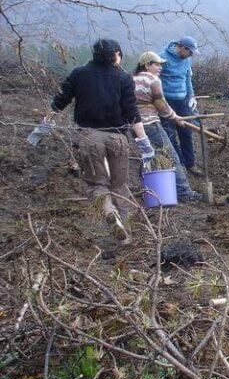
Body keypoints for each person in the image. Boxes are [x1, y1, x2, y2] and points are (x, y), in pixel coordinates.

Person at [48, 39, 154, 244]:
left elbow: (60, 100)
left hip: (90, 137)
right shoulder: (123, 78)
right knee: (120, 185)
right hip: (117, 138)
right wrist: (143, 141)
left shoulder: (79, 74)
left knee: (97, 184)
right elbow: (132, 113)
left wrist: (45, 122)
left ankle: (109, 212)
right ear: (116, 54)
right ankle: (126, 234)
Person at [133, 52, 201, 202]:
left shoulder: (132, 79)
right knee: (171, 156)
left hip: (135, 126)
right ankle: (184, 192)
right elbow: (161, 106)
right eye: (156, 64)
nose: (160, 68)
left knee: (149, 157)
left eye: (161, 65)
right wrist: (175, 117)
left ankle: (150, 190)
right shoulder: (152, 80)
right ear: (147, 65)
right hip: (151, 124)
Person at [159, 36, 201, 176]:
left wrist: (191, 96)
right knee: (170, 134)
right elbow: (155, 80)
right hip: (166, 102)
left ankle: (190, 164)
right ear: (182, 48)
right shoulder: (162, 58)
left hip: (182, 101)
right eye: (189, 52)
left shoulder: (187, 61)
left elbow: (188, 79)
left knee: (186, 131)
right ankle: (179, 164)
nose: (191, 55)